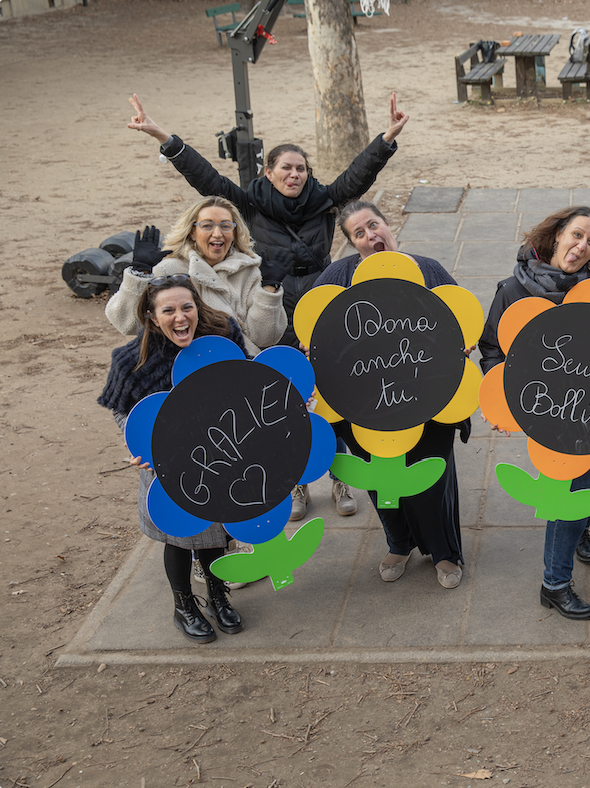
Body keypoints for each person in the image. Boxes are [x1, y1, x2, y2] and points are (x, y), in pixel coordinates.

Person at [126, 91, 409, 347]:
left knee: (330, 347)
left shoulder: (325, 199)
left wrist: (388, 138)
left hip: (321, 285)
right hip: (273, 288)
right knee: (278, 352)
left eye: (301, 169)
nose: (294, 174)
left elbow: (358, 174)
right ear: (269, 173)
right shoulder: (250, 205)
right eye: (286, 168)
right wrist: (164, 137)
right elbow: (205, 177)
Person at [314, 201, 470, 590]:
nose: (371, 236)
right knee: (381, 479)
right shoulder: (337, 277)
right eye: (359, 233)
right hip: (362, 404)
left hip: (428, 399)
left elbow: (462, 322)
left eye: (374, 225)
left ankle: (445, 551)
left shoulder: (427, 269)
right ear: (353, 243)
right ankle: (398, 543)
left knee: (432, 480)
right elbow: (315, 334)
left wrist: (462, 349)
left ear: (388, 224)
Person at [478, 206, 590, 619]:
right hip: (550, 413)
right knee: (569, 491)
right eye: (576, 235)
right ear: (558, 234)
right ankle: (555, 584)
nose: (581, 247)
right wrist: (502, 400)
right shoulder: (514, 288)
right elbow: (493, 350)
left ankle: (581, 532)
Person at [97, 276, 248, 643]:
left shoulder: (222, 337)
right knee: (179, 537)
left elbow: (249, 381)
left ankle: (216, 595)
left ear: (198, 307)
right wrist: (140, 446)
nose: (180, 317)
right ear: (151, 316)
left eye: (186, 307)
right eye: (169, 310)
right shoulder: (132, 360)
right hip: (163, 460)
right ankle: (183, 606)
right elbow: (122, 412)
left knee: (215, 534)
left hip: (217, 454)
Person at [105, 196, 285, 357]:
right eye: (207, 226)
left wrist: (269, 289)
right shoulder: (170, 271)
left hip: (241, 364)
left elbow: (264, 338)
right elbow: (127, 324)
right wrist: (140, 273)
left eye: (225, 226)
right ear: (192, 232)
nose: (217, 233)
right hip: (180, 368)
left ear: (234, 232)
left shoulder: (248, 271)